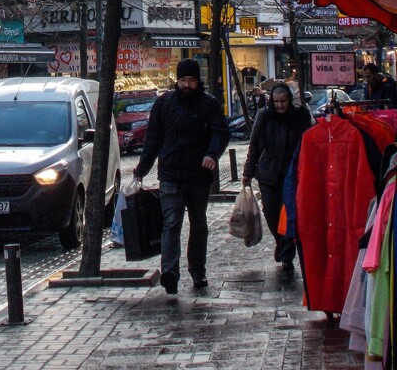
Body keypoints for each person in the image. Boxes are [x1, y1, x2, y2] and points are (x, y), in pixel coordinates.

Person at [133, 59, 229, 295]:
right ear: (177, 81)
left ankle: (198, 272)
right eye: (183, 80)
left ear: (198, 81)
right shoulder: (164, 104)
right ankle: (170, 273)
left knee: (199, 224)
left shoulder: (209, 104)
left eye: (192, 80)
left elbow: (220, 132)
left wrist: (212, 154)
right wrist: (141, 171)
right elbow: (152, 140)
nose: (187, 84)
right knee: (172, 223)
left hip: (199, 175)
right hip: (171, 173)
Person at [241, 83, 314, 275]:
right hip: (268, 174)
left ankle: (286, 255)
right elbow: (255, 145)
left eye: (283, 101)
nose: (280, 105)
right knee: (271, 213)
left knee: (289, 214)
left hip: (293, 174)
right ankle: (281, 243)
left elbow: (310, 143)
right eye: (277, 102)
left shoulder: (300, 116)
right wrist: (248, 172)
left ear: (290, 100)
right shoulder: (264, 116)